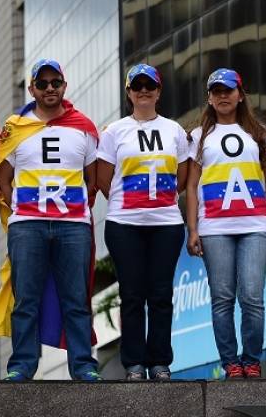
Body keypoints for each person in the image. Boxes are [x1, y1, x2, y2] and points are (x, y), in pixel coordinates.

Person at [0, 59, 101, 381]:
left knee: (76, 299)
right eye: (43, 83)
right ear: (32, 89)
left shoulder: (84, 127)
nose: (50, 88)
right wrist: (24, 210)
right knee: (26, 298)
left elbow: (92, 179)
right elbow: (2, 177)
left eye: (56, 83)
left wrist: (72, 208)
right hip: (28, 224)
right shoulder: (15, 127)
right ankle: (22, 366)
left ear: (64, 86)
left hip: (72, 225)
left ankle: (82, 366)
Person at [185, 68, 266, 379]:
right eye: (216, 91)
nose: (222, 96)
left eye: (228, 90)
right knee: (222, 298)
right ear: (209, 98)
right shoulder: (198, 137)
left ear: (240, 94)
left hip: (254, 225)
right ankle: (230, 364)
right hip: (214, 228)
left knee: (252, 296)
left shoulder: (259, 134)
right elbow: (191, 185)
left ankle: (251, 360)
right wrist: (193, 229)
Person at [96, 63, 189, 381]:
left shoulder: (174, 130)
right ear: (129, 93)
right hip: (125, 224)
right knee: (132, 294)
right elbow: (104, 180)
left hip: (165, 223)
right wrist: (132, 205)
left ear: (159, 91)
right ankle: (134, 363)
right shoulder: (114, 131)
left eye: (150, 85)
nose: (144, 90)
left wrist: (157, 203)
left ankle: (160, 361)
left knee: (161, 295)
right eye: (137, 86)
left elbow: (184, 177)